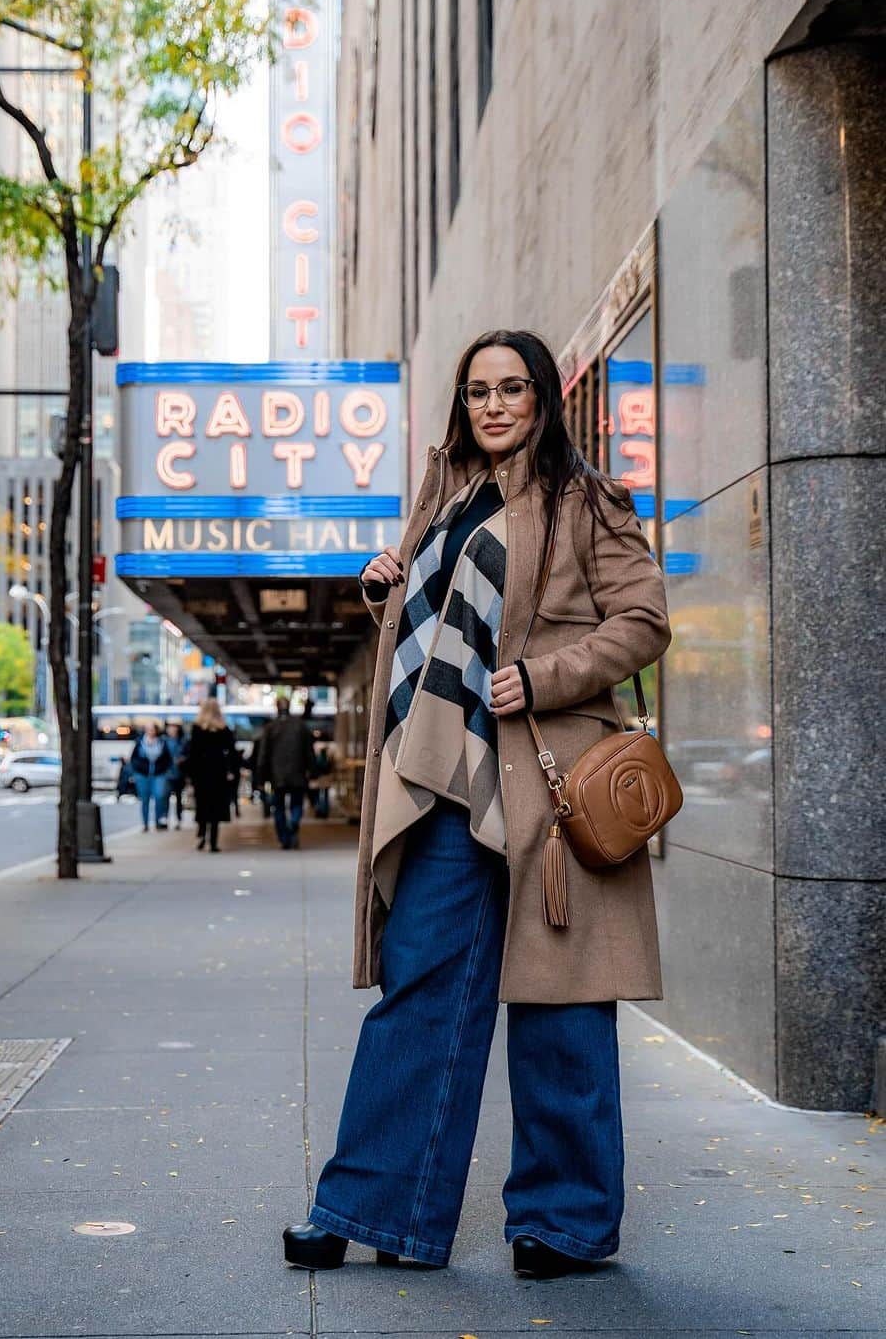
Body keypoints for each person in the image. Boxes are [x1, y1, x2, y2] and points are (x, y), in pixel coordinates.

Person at [283, 329, 672, 1278]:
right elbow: (443, 642)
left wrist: (544, 677)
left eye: (511, 388)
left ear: (542, 397)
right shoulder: (445, 501)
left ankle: (563, 1226)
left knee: (562, 1009)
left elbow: (645, 619)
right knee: (421, 990)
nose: (493, 405)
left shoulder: (587, 501)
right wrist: (393, 586)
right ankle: (380, 1208)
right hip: (449, 785)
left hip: (548, 786)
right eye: (476, 392)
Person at [257, 694, 315, 849]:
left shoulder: (270, 728)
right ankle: (293, 823)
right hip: (298, 773)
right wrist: (312, 770)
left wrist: (261, 779)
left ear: (277, 707)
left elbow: (263, 755)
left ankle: (284, 838)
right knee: (297, 804)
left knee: (279, 807)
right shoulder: (300, 726)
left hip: (277, 776)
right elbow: (309, 751)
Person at [186, 698, 238, 852]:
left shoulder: (197, 728)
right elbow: (232, 752)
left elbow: (193, 753)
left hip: (201, 772)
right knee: (215, 806)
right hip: (218, 771)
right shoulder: (224, 729)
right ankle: (213, 841)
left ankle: (202, 833)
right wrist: (232, 771)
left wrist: (191, 773)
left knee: (202, 804)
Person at [127, 722, 171, 832]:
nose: (150, 731)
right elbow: (133, 758)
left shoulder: (162, 743)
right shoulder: (140, 742)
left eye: (152, 729)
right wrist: (137, 770)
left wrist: (163, 769)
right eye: (148, 729)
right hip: (142, 775)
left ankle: (158, 822)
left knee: (159, 796)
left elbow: (167, 759)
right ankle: (145, 824)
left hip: (158, 774)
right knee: (144, 799)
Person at [162, 719, 189, 829]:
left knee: (178, 797)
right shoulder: (163, 741)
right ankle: (165, 818)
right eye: (170, 727)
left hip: (179, 773)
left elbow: (188, 755)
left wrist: (183, 759)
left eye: (174, 727)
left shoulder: (183, 741)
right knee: (165, 796)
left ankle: (178, 818)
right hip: (167, 773)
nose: (172, 730)